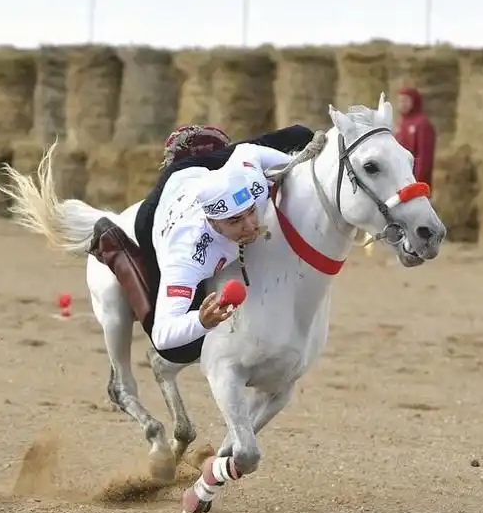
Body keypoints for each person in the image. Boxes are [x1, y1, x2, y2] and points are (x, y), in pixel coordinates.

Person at [90, 122, 315, 358]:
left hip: (199, 172)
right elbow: (163, 334)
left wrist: (292, 164)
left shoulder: (252, 185)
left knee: (301, 136)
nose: (250, 226)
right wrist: (201, 321)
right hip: (160, 209)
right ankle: (115, 245)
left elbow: (248, 153)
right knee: (181, 351)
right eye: (235, 221)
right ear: (214, 222)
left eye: (250, 212)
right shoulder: (187, 257)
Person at [394, 87, 436, 189]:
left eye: (406, 101)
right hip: (400, 181)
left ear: (414, 101)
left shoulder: (422, 124)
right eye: (400, 101)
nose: (402, 104)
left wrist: (417, 182)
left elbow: (424, 157)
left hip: (415, 182)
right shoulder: (400, 124)